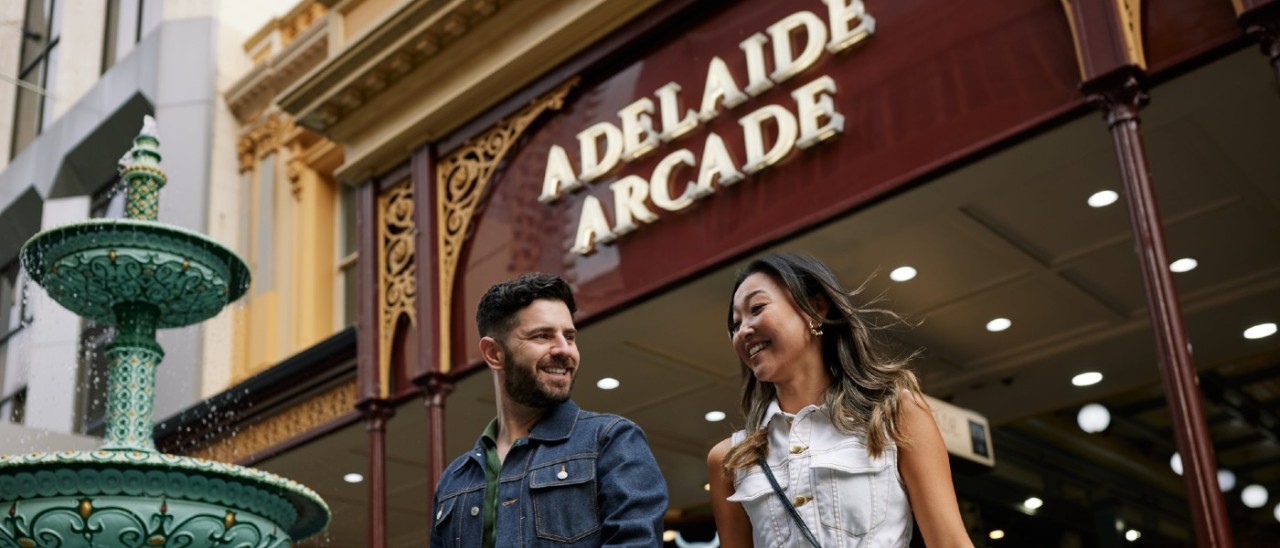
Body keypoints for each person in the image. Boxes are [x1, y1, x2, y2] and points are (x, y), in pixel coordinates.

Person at [707, 253, 973, 547]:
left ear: (815, 308)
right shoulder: (730, 459)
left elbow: (951, 543)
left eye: (757, 308)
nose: (743, 331)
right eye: (735, 325)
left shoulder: (895, 414)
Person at [431, 273, 668, 547]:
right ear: (494, 354)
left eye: (569, 336)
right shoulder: (454, 481)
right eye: (542, 336)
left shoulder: (611, 441)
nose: (565, 350)